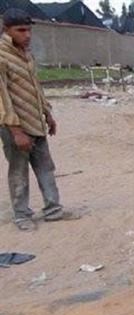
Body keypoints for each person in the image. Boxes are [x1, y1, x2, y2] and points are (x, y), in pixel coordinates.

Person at [0, 9, 75, 231]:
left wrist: (47, 114)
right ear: (6, 30)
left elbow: (35, 87)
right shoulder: (2, 56)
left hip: (36, 121)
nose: (27, 35)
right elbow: (2, 98)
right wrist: (16, 131)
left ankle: (53, 209)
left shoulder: (25, 54)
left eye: (29, 30)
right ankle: (22, 215)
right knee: (19, 170)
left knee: (45, 167)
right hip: (15, 125)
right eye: (20, 30)